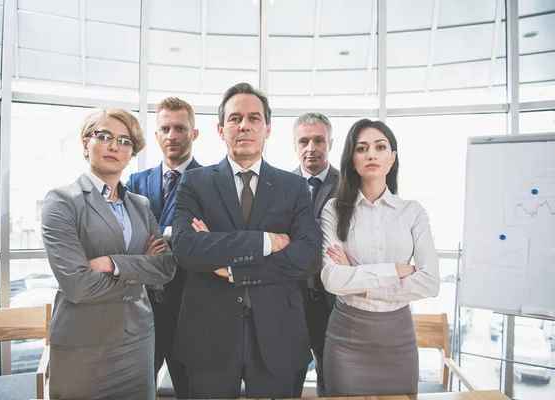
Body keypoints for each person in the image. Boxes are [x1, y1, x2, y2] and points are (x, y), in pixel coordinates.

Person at [170, 82, 322, 399]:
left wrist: (232, 266)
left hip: (277, 329)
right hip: (208, 329)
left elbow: (308, 257)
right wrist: (265, 242)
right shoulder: (195, 181)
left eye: (254, 118)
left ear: (267, 129)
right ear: (220, 129)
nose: (244, 126)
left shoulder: (293, 186)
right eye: (235, 118)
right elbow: (185, 248)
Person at [41, 108, 177, 400]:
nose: (114, 146)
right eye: (104, 136)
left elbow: (166, 267)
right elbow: (77, 286)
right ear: (85, 144)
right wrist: (141, 270)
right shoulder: (62, 202)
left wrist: (111, 263)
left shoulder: (140, 205)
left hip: (138, 340)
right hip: (85, 345)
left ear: (131, 152)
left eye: (124, 141)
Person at [320, 119, 440, 396]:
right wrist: (396, 271)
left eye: (380, 147)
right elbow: (331, 279)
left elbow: (430, 282)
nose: (371, 154)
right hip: (346, 339)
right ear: (351, 159)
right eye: (362, 148)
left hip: (398, 338)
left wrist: (357, 279)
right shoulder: (334, 210)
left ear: (392, 157)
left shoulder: (412, 211)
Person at [126, 97, 201, 398]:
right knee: (139, 388)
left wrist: (160, 239)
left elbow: (202, 244)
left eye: (180, 128)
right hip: (144, 307)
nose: (172, 135)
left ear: (194, 133)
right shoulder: (135, 181)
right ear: (156, 134)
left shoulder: (210, 181)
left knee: (191, 389)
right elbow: (128, 239)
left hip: (190, 308)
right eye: (165, 128)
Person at [290, 112, 339, 397]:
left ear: (330, 143)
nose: (311, 147)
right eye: (304, 141)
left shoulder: (348, 184)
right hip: (292, 298)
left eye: (319, 140)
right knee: (290, 374)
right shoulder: (280, 184)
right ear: (295, 146)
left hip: (332, 300)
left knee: (330, 378)